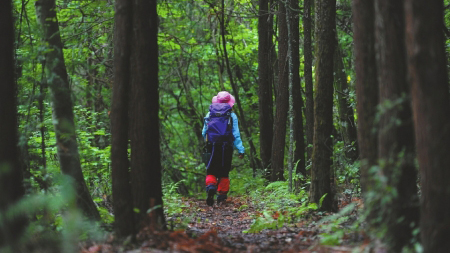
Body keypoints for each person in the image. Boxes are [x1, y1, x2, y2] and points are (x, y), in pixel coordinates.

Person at [202, 91, 245, 206]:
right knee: (224, 171)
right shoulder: (231, 115)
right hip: (226, 146)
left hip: (212, 145)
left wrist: (208, 142)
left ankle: (211, 186)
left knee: (211, 169)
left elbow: (204, 132)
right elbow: (236, 134)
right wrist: (241, 149)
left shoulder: (209, 113)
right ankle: (221, 196)